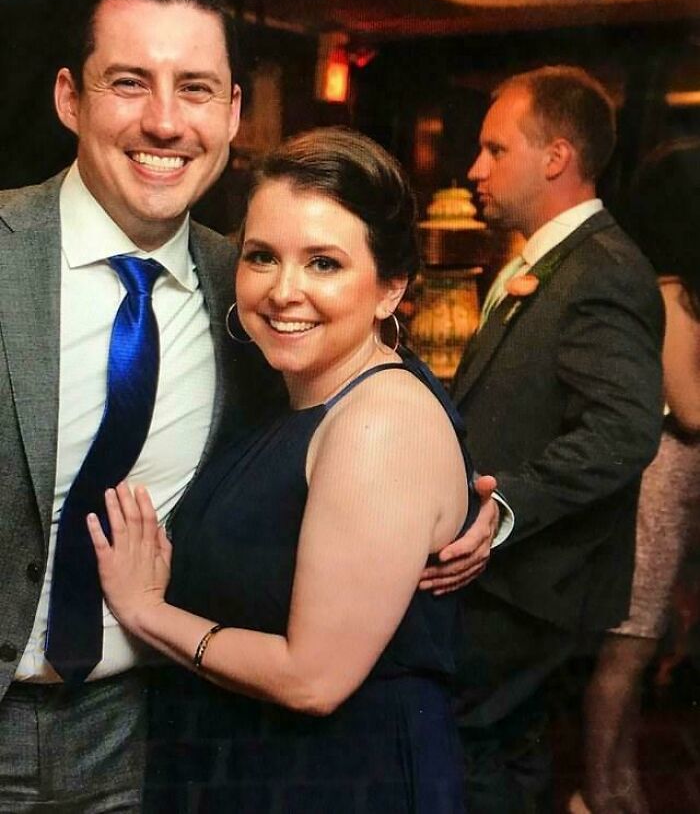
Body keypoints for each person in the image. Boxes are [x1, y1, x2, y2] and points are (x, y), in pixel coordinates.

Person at [88, 126, 487, 812]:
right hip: (269, 768)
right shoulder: (294, 394)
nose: (283, 290)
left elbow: (314, 678)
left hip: (341, 780)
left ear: (391, 287)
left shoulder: (376, 420)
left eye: (324, 263)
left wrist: (146, 611)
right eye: (262, 256)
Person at [0, 0, 276, 811]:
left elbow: (378, 401)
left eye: (195, 88)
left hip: (151, 733)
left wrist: (481, 506)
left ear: (232, 112)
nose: (165, 122)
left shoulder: (261, 289)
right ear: (69, 98)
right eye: (129, 82)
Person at [448, 66, 665, 812]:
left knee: (479, 753)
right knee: (504, 754)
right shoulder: (548, 259)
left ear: (555, 157)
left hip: (532, 580)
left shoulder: (599, 269)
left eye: (493, 149)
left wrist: (503, 506)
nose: (475, 169)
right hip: (515, 580)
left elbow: (624, 429)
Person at [574, 137, 700, 814]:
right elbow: (689, 405)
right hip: (659, 487)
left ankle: (619, 787)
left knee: (639, 648)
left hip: (671, 490)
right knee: (628, 648)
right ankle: (596, 793)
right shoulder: (672, 292)